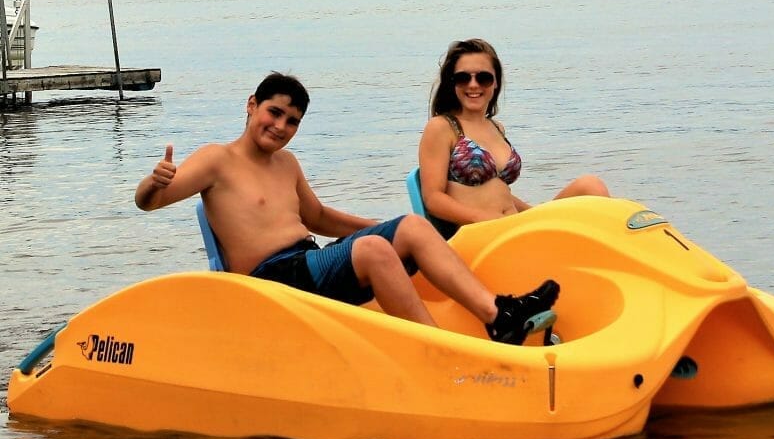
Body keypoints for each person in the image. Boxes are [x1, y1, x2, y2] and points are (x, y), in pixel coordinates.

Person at [134, 71, 558, 345]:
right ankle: (440, 349)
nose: (280, 127)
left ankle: (499, 314)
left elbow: (318, 218)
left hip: (308, 262)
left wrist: (387, 228)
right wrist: (154, 183)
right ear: (251, 105)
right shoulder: (216, 159)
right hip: (270, 282)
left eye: (292, 121)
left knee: (410, 227)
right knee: (374, 250)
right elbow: (150, 204)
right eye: (274, 113)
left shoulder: (286, 164)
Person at [418, 38, 609, 230]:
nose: (473, 85)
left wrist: (535, 214)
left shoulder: (496, 128)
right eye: (463, 78)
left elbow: (498, 192)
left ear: (496, 83)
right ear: (452, 84)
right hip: (480, 235)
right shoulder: (443, 127)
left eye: (484, 78)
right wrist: (484, 219)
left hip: (512, 226)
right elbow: (433, 199)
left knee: (590, 186)